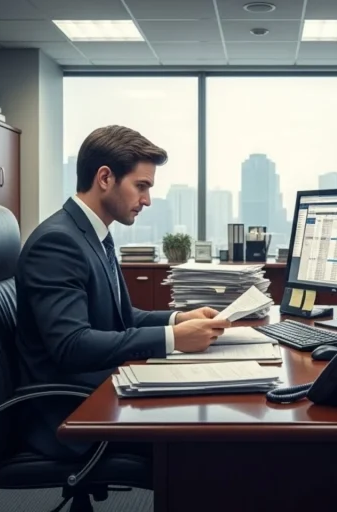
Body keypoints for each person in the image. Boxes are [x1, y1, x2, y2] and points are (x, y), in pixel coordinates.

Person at [16, 125, 230, 460]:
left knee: (209, 407)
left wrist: (179, 318)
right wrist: (174, 338)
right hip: (71, 412)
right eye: (141, 186)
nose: (146, 200)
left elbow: (122, 318)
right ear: (105, 178)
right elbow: (72, 346)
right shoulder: (58, 242)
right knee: (206, 437)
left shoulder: (95, 234)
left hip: (98, 388)